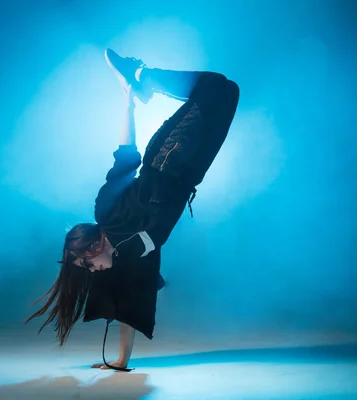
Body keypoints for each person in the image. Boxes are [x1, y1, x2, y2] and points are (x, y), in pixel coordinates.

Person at [26, 48, 240, 371]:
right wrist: (121, 361)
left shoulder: (105, 211)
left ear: (91, 245)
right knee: (226, 91)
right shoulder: (129, 260)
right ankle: (144, 80)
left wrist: (128, 103)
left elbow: (126, 158)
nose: (91, 269)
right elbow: (128, 307)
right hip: (191, 171)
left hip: (167, 159)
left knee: (219, 90)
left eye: (86, 263)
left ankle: (142, 78)